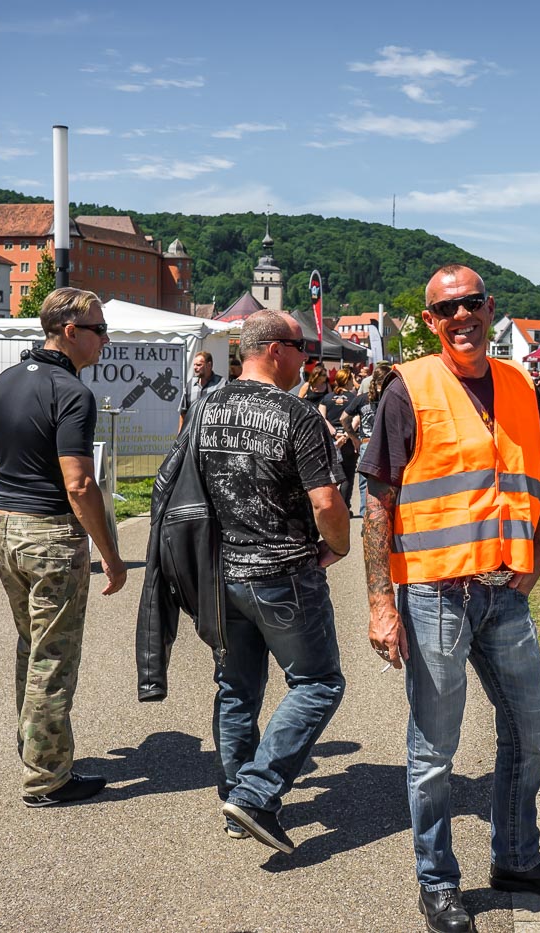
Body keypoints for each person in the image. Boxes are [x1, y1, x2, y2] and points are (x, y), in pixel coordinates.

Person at [360, 264, 540, 933]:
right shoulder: (408, 388)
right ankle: (437, 882)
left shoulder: (520, 385)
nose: (462, 316)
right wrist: (381, 603)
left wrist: (535, 556)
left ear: (490, 309)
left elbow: (539, 480)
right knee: (435, 750)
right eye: (447, 308)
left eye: (473, 303)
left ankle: (516, 858)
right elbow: (377, 503)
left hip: (504, 593)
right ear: (430, 320)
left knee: (531, 731)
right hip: (435, 594)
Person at [195, 309, 350, 853]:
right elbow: (326, 501)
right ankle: (256, 795)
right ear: (276, 350)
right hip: (283, 572)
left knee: (237, 688)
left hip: (223, 571)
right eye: (302, 347)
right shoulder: (296, 413)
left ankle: (237, 800)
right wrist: (338, 545)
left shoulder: (206, 404)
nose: (308, 358)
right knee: (318, 683)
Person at [0, 287, 126, 808]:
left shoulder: (3, 382)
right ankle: (46, 778)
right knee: (52, 657)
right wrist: (110, 554)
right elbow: (79, 484)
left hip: (5, 528)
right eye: (99, 329)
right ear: (70, 331)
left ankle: (35, 748)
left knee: (31, 645)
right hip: (51, 533)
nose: (105, 339)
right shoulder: (72, 392)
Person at [343, 361, 392, 516]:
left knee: (365, 483)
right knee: (387, 480)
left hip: (366, 443)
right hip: (386, 444)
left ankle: (366, 517)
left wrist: (354, 438)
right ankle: (383, 514)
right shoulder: (391, 397)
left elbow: (344, 418)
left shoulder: (362, 398)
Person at [321, 368, 359, 510]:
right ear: (348, 381)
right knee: (348, 475)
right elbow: (356, 419)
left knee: (330, 476)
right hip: (348, 441)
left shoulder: (327, 398)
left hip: (331, 441)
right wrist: (346, 435)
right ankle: (344, 507)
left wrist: (334, 433)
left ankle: (331, 506)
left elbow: (321, 417)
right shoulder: (353, 398)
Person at [178, 350, 221, 432]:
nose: (195, 368)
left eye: (198, 365)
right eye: (194, 365)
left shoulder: (221, 384)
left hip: (212, 434)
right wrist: (180, 434)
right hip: (192, 434)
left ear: (209, 365)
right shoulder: (190, 385)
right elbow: (183, 412)